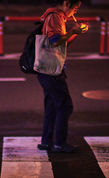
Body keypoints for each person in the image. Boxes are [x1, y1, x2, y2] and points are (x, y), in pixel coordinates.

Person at [37, 0, 88, 153]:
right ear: (66, 3)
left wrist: (75, 33)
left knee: (52, 106)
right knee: (65, 106)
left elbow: (62, 44)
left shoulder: (57, 17)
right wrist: (73, 32)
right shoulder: (55, 17)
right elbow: (55, 42)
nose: (75, 12)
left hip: (46, 69)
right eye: (75, 8)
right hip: (52, 71)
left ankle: (46, 142)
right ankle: (59, 143)